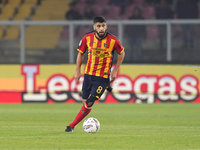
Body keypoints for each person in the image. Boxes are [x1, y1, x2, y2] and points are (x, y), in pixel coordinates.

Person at [65, 16, 125, 132]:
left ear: (106, 26)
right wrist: (78, 70)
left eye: (103, 26)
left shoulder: (113, 41)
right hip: (88, 75)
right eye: (99, 26)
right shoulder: (87, 38)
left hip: (102, 77)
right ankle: (107, 87)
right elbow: (81, 54)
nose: (101, 28)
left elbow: (121, 53)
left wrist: (115, 70)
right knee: (85, 104)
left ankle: (71, 126)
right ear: (94, 27)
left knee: (89, 102)